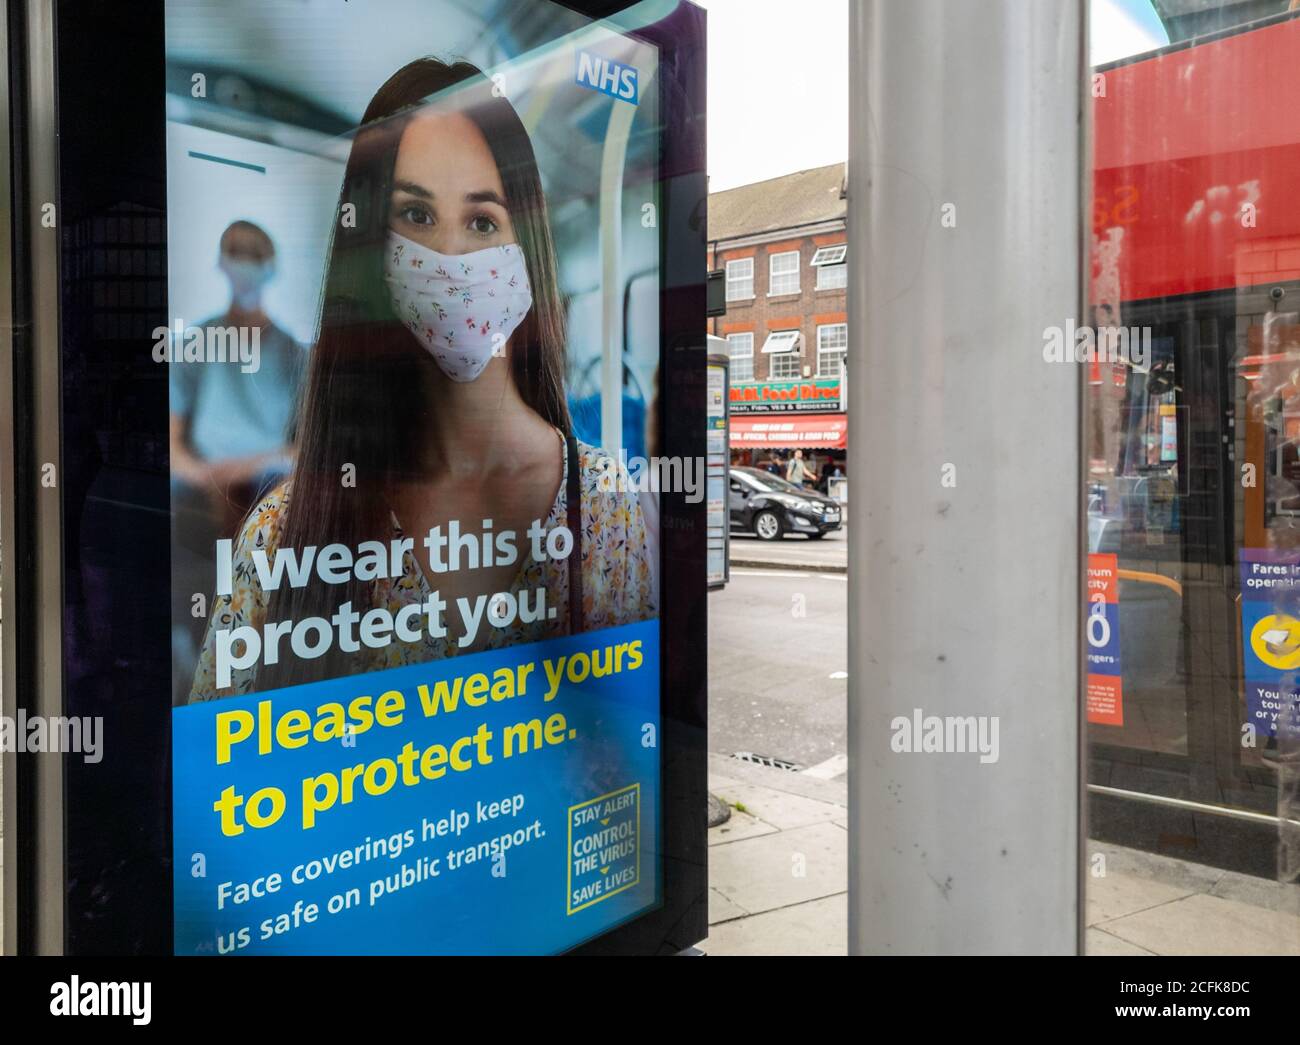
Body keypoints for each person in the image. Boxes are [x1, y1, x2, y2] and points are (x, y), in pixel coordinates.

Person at [189, 59, 655, 702]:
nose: (450, 257)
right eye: (415, 215)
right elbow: (224, 773)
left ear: (529, 251)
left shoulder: (604, 505)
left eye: (483, 221)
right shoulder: (286, 531)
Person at [169, 221, 303, 701]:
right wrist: (207, 479)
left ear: (271, 266)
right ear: (222, 262)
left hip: (268, 492)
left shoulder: (294, 355)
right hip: (196, 495)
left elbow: (304, 452)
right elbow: (172, 444)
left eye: (254, 253)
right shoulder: (196, 344)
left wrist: (242, 474)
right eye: (236, 252)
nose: (245, 262)